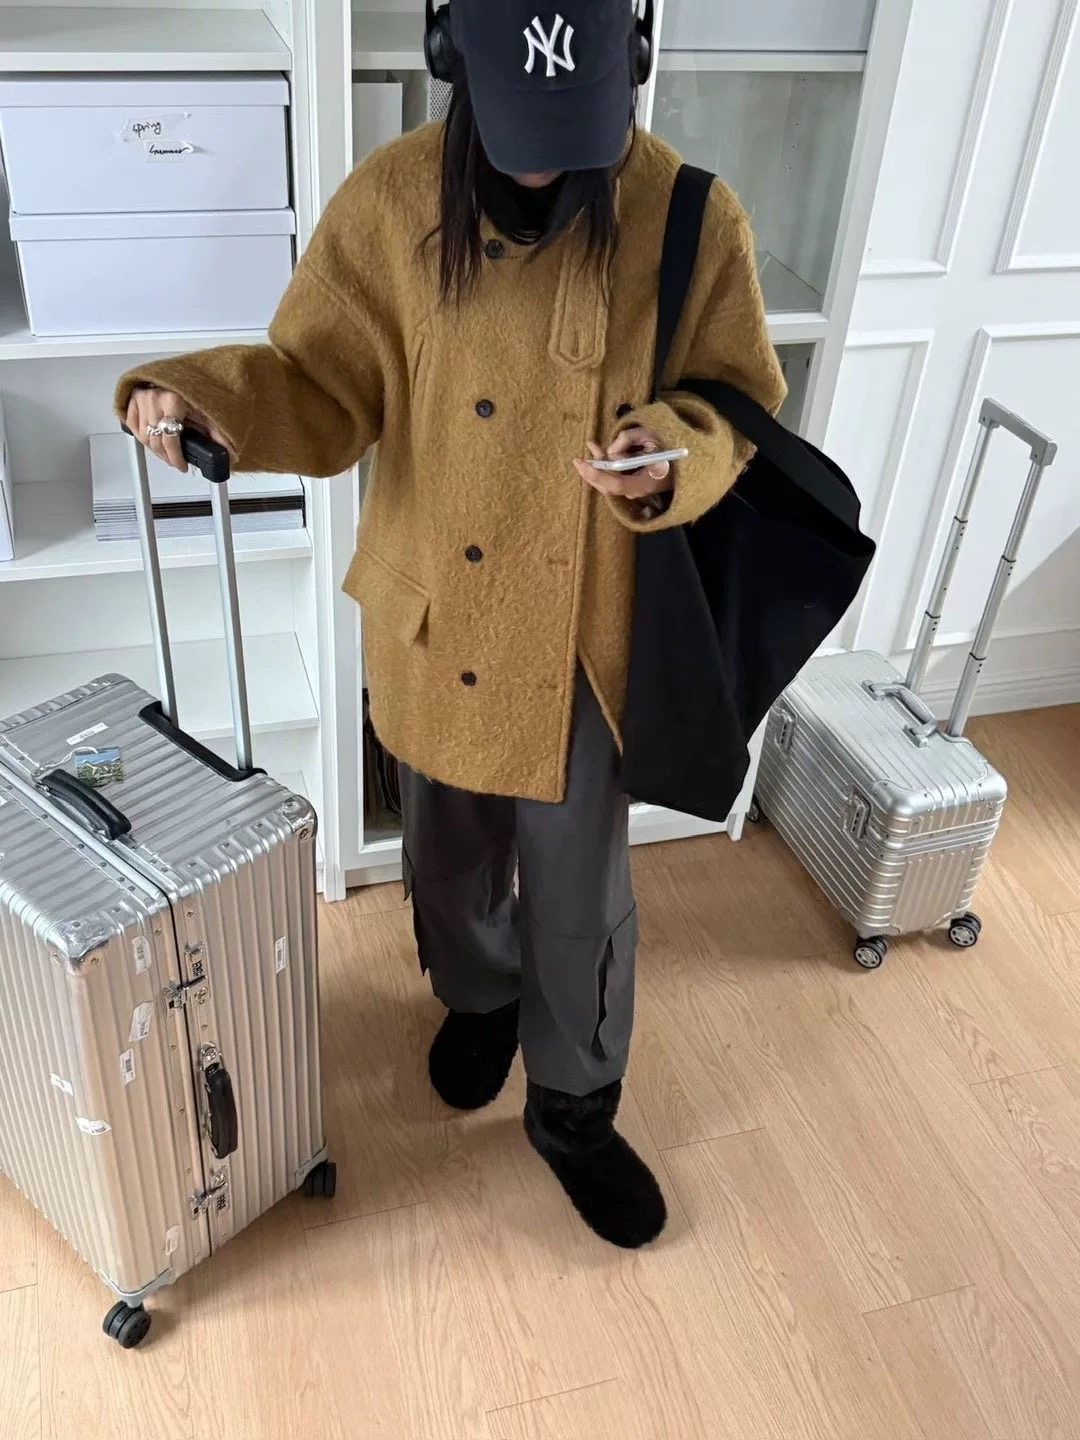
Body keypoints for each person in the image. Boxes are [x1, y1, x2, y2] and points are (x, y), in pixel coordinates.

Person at [118, 0, 786, 1250]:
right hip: (433, 619)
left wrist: (670, 455)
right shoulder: (390, 203)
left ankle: (574, 1107)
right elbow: (318, 386)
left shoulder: (691, 214)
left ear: (630, 64)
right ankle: (478, 1002)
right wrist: (205, 400)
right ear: (453, 60)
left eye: (571, 131)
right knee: (445, 861)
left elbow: (738, 398)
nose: (541, 167)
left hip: (583, 632)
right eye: (520, 127)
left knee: (579, 894)